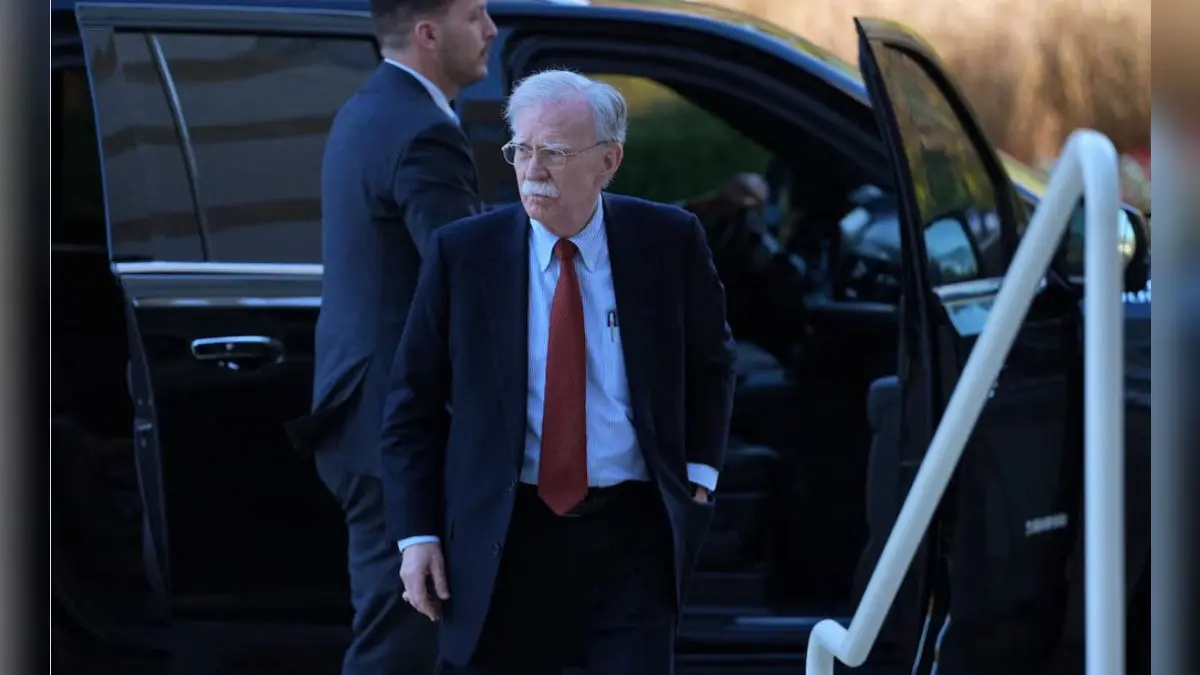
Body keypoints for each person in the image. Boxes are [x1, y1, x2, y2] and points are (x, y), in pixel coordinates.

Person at [380, 69, 739, 674]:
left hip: (631, 534)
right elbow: (411, 407)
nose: (532, 169)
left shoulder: (667, 240)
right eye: (520, 149)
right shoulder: (464, 253)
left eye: (554, 152)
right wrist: (416, 536)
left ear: (609, 161)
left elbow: (712, 363)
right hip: (503, 536)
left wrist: (696, 478)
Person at [284, 1, 496, 674]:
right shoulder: (421, 129)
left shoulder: (367, 109)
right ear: (429, 34)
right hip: (395, 433)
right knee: (402, 644)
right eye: (476, 13)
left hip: (364, 417)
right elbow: (466, 281)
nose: (491, 29)